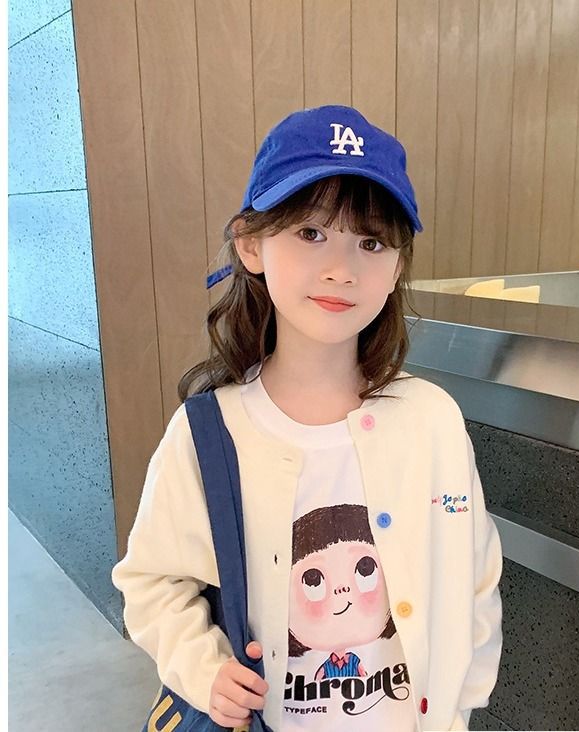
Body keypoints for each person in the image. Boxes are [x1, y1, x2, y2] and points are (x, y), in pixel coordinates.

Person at [112, 104, 503, 732]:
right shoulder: (210, 433)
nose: (342, 269)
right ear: (250, 244)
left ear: (397, 266)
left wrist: (457, 708)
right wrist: (204, 669)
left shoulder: (432, 421)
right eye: (311, 233)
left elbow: (476, 579)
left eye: (371, 243)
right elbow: (153, 581)